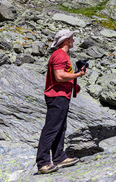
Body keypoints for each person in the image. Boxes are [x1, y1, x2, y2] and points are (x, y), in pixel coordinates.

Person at [36, 30, 87, 174]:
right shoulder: (59, 55)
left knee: (60, 127)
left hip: (62, 96)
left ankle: (59, 157)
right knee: (51, 128)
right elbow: (58, 76)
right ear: (65, 41)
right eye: (71, 38)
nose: (74, 41)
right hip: (56, 96)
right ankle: (43, 162)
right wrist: (77, 74)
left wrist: (73, 84)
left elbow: (62, 77)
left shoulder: (62, 55)